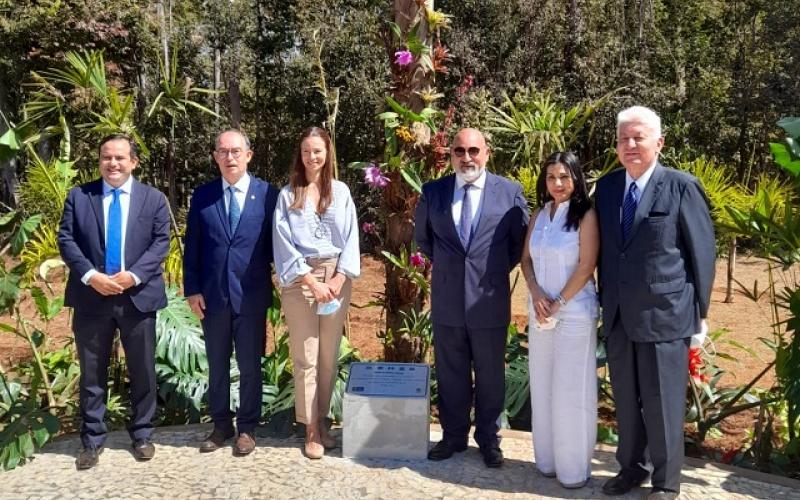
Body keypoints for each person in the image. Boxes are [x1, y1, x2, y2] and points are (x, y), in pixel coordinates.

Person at [595, 106, 715, 500]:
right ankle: (632, 468)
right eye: (623, 138)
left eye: (638, 137)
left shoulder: (681, 186)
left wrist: (701, 315)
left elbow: (702, 254)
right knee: (627, 401)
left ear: (659, 143)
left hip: (667, 315)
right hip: (618, 315)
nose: (630, 145)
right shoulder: (608, 188)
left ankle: (666, 482)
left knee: (663, 403)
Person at [414, 128, 529, 468]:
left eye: (474, 150)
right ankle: (453, 437)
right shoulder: (433, 192)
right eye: (460, 151)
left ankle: (489, 439)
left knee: (490, 373)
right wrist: (453, 270)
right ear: (451, 154)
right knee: (450, 371)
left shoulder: (509, 193)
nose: (467, 158)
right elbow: (424, 240)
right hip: (448, 299)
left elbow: (516, 245)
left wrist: (487, 272)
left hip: (489, 300)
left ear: (487, 153)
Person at [58, 134, 170, 469]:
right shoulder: (80, 197)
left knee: (143, 370)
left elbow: (161, 242)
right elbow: (66, 239)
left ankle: (143, 434)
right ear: (100, 161)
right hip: (93, 297)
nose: (113, 164)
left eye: (120, 158)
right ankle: (92, 440)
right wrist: (92, 276)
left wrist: (133, 276)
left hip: (137, 296)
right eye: (107, 157)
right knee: (92, 371)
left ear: (134, 162)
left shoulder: (153, 199)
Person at [183, 129, 279, 456]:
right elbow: (192, 245)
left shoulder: (269, 195)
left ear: (249, 155)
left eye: (236, 151)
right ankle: (221, 425)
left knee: (251, 365)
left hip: (251, 296)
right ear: (215, 157)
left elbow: (278, 243)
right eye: (223, 152)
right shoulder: (203, 195)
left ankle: (248, 428)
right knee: (217, 364)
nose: (230, 157)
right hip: (213, 297)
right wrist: (192, 288)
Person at [272, 126, 360, 459]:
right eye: (307, 151)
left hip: (336, 276)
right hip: (301, 281)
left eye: (318, 151)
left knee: (327, 356)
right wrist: (311, 281)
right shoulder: (287, 195)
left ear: (328, 153)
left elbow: (351, 238)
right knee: (306, 356)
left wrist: (337, 280)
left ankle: (323, 421)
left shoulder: (341, 192)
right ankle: (309, 428)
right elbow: (282, 242)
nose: (312, 157)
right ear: (300, 154)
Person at [520, 151, 599, 488]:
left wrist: (560, 302)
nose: (557, 184)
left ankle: (573, 470)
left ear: (576, 178)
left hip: (574, 312)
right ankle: (548, 461)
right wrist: (537, 293)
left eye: (564, 177)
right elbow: (526, 260)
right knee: (543, 385)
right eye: (551, 177)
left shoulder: (586, 214)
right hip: (540, 312)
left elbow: (586, 265)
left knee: (571, 390)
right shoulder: (540, 214)